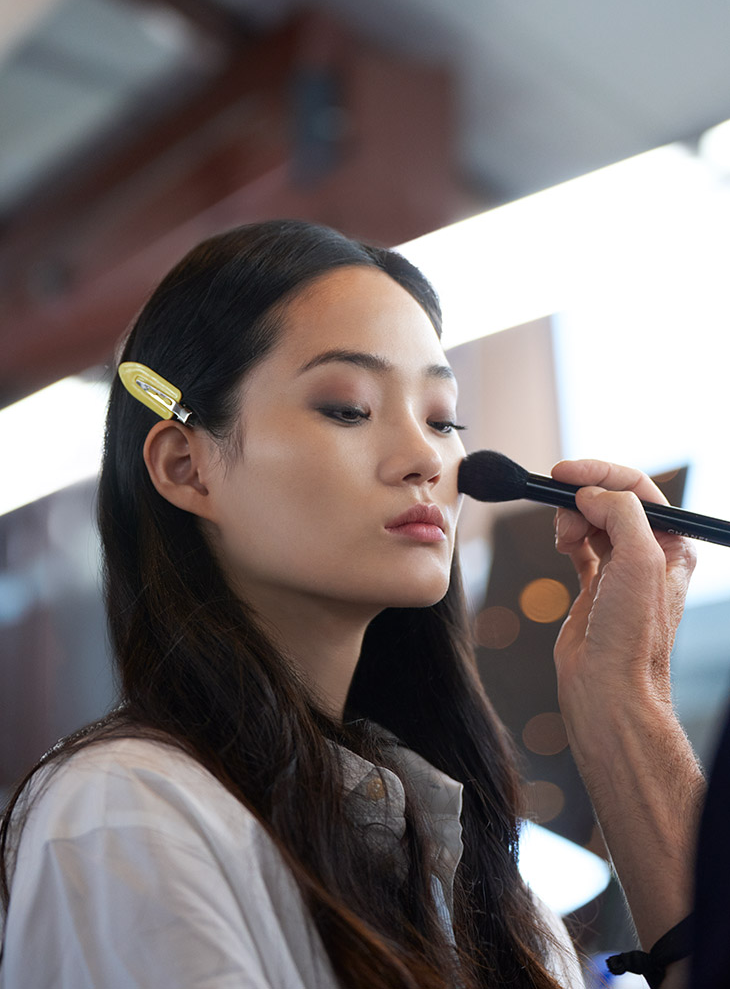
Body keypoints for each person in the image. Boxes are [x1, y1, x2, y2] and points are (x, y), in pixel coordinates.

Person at [0, 220, 704, 988]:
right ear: (185, 466)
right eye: (347, 407)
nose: (426, 457)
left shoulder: (498, 893)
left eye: (443, 418)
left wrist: (626, 705)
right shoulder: (129, 816)